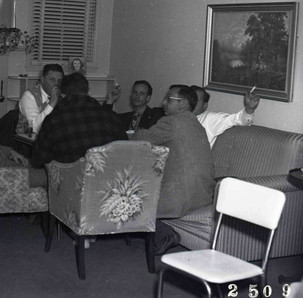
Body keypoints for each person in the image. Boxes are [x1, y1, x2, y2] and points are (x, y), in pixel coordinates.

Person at [135, 84, 215, 254]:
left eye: (169, 99)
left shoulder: (171, 121)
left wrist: (139, 132)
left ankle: (164, 234)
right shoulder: (196, 124)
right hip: (203, 194)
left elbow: (141, 140)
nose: (163, 102)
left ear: (183, 103)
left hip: (180, 196)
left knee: (132, 195)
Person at [32, 72, 127, 168]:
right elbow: (125, 151)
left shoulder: (54, 120)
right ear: (88, 92)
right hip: (106, 179)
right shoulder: (112, 117)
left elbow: (39, 159)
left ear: (62, 94)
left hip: (69, 180)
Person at [191, 85, 261, 148]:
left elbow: (236, 120)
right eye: (189, 99)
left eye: (195, 100)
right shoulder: (181, 116)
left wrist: (250, 108)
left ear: (205, 105)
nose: (191, 103)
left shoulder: (210, 119)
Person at [16, 64, 64, 135]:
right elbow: (34, 128)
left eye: (59, 80)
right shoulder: (29, 96)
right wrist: (52, 103)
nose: (56, 84)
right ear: (42, 79)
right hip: (28, 142)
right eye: (52, 80)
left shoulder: (62, 96)